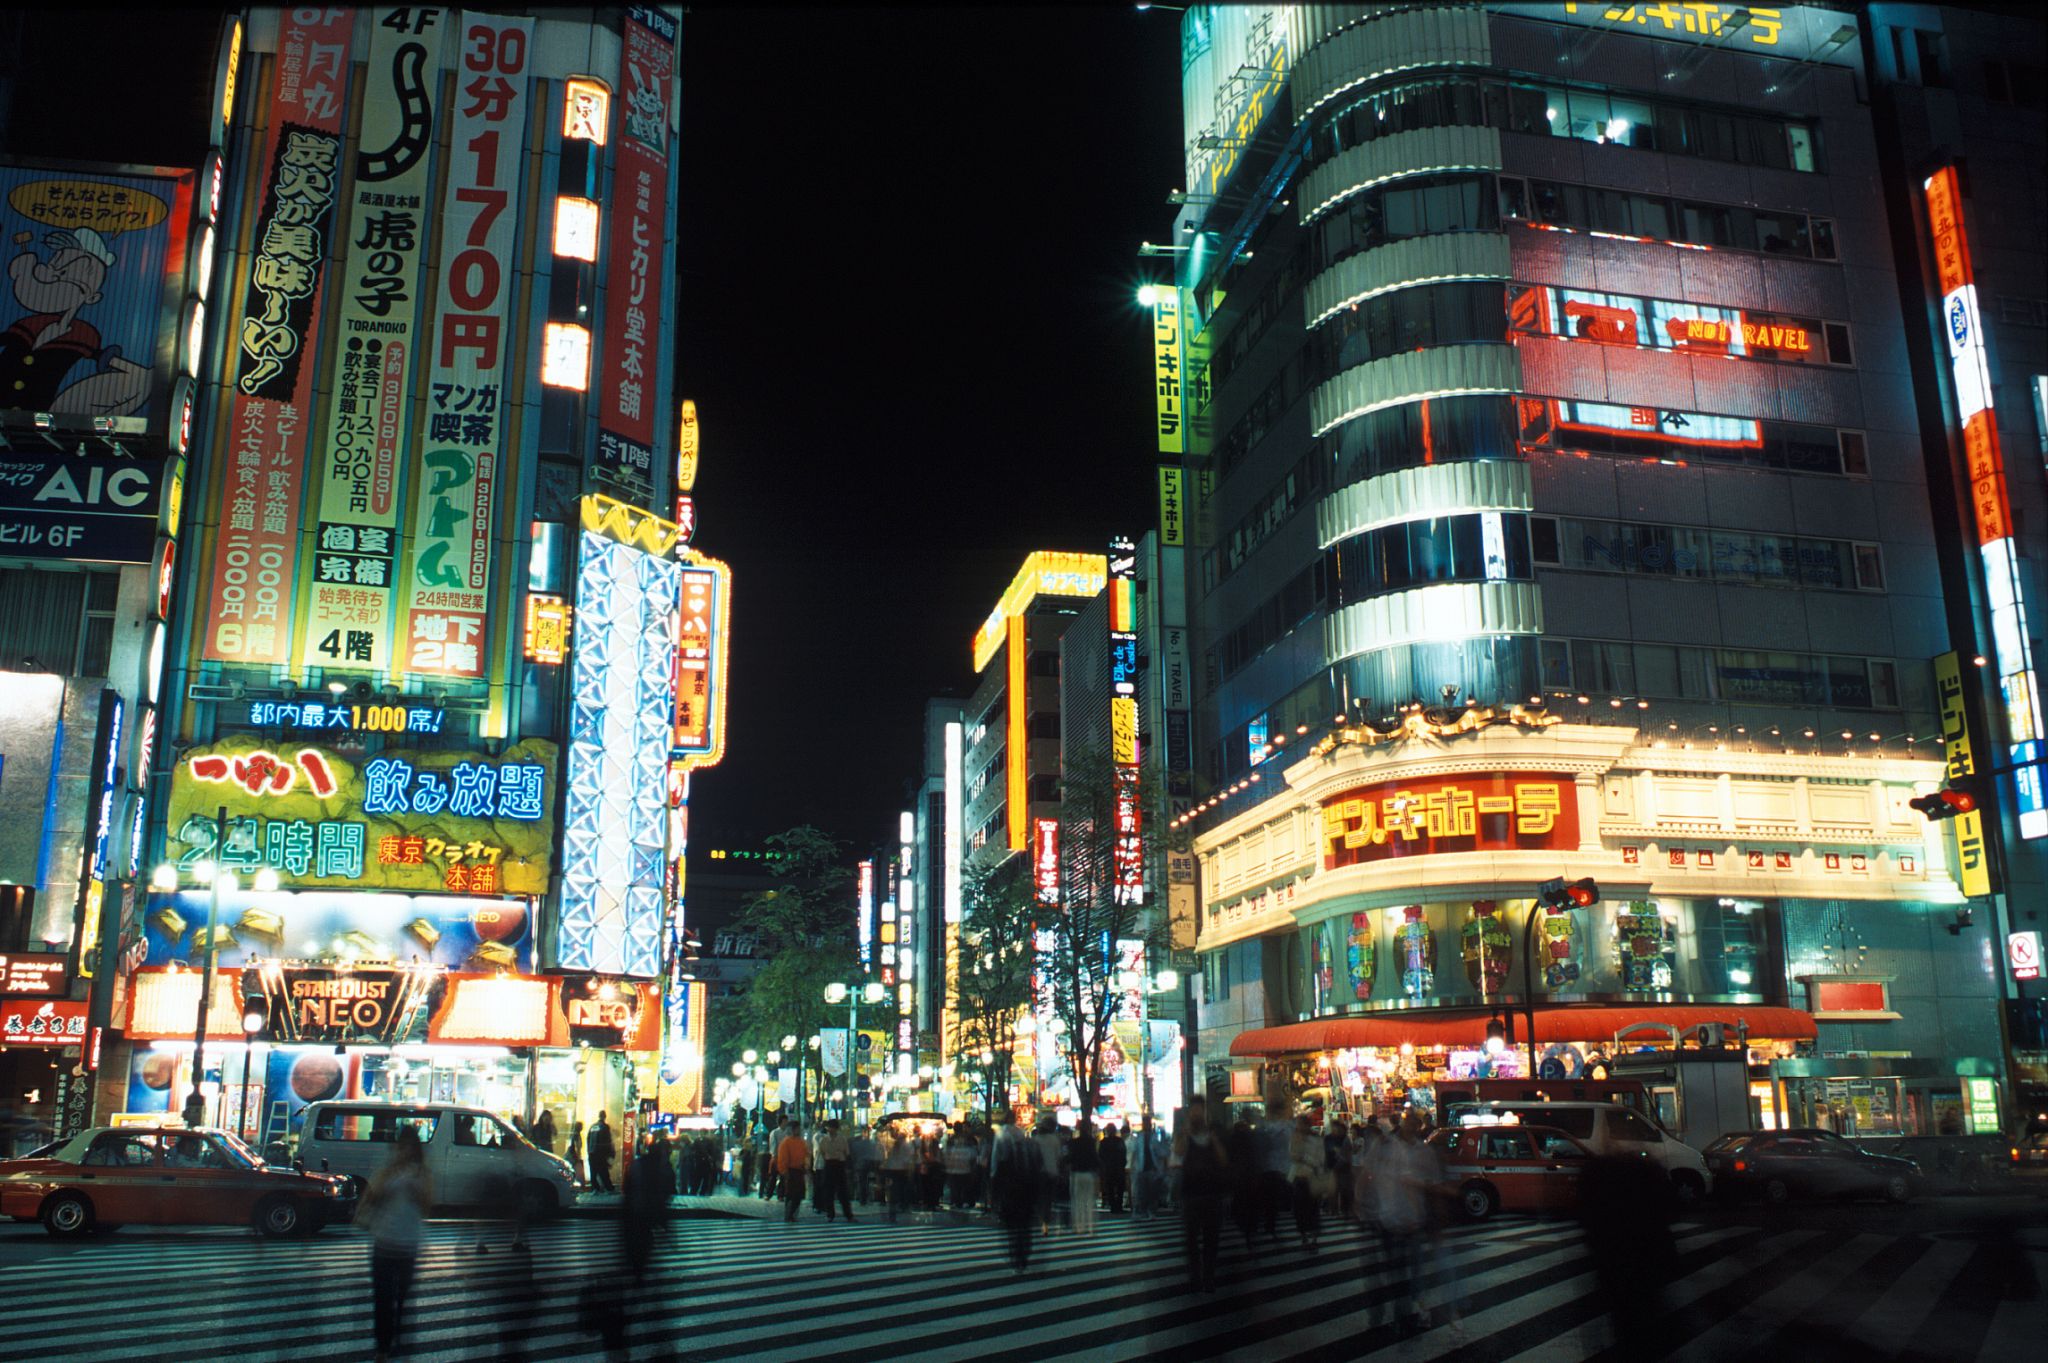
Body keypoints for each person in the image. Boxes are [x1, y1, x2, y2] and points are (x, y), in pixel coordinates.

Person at [357, 1127, 432, 1363]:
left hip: (408, 1244)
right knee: (382, 1299)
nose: (405, 1150)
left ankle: (400, 1339)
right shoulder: (387, 1171)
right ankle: (383, 1347)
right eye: (402, 1146)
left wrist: (414, 1191)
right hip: (384, 1242)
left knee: (401, 1298)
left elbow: (428, 1205)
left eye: (409, 1146)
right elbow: (370, 1197)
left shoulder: (421, 1173)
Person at [1173, 1096, 1228, 1293]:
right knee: (1191, 1239)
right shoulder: (1184, 1134)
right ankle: (1196, 1276)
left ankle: (1209, 1276)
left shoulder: (1214, 1133)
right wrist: (1184, 1135)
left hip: (1212, 1193)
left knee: (1211, 1238)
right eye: (1194, 1110)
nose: (1197, 1114)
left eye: (1199, 1110)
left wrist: (1214, 1141)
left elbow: (1223, 1160)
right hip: (1191, 1194)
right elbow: (1177, 1154)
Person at [989, 1113, 1043, 1274]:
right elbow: (1037, 1168)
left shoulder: (1002, 1137)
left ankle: (1016, 1257)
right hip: (1027, 1191)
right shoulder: (1025, 1140)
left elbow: (995, 1166)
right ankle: (1023, 1256)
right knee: (1024, 1226)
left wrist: (994, 1191)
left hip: (1011, 1191)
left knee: (1012, 1227)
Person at [1289, 1111, 1329, 1250]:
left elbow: (1320, 1159)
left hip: (1312, 1177)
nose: (1299, 1127)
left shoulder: (1316, 1139)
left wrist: (1307, 1160)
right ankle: (1305, 1237)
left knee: (1312, 1209)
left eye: (1300, 1124)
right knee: (1300, 1210)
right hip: (1299, 1177)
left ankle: (1312, 1238)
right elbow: (1293, 1155)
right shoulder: (1295, 1138)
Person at [815, 1119, 855, 1221]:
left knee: (843, 1192)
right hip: (829, 1164)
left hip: (839, 1164)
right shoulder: (824, 1139)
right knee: (828, 1191)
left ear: (836, 1128)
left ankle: (848, 1214)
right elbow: (822, 1153)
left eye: (831, 1127)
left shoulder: (842, 1139)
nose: (829, 1129)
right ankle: (830, 1214)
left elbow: (846, 1153)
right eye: (828, 1127)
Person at [773, 1119, 811, 1223]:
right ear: (792, 1130)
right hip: (790, 1171)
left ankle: (792, 1214)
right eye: (797, 1129)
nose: (799, 1131)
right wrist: (784, 1171)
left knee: (798, 1194)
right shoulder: (786, 1142)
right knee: (790, 1194)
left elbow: (806, 1154)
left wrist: (806, 1166)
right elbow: (783, 1158)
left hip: (799, 1170)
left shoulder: (801, 1142)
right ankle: (789, 1215)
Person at [1033, 1114, 1064, 1234]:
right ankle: (1046, 1221)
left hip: (1040, 1173)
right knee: (1048, 1199)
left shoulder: (1037, 1139)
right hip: (1052, 1172)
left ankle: (1042, 1221)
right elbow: (1059, 1157)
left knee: (1040, 1198)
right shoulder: (1055, 1140)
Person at [1068, 1119, 1101, 1236]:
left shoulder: (1073, 1143)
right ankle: (1091, 1227)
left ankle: (1079, 1227)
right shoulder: (1091, 1142)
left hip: (1076, 1173)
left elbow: (1069, 1158)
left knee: (1078, 1202)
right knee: (1089, 1201)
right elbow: (1095, 1158)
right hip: (1088, 1173)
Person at [1133, 1115, 1166, 1219]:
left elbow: (1160, 1151)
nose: (1146, 1124)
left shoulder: (1154, 1136)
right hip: (1142, 1167)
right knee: (1143, 1191)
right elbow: (1136, 1152)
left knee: (1151, 1191)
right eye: (1145, 1122)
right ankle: (1144, 1210)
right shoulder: (1139, 1136)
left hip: (1151, 1167)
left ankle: (1150, 1210)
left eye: (1147, 1122)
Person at [1100, 1123, 1129, 1214]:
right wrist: (1122, 1164)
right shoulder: (1119, 1141)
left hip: (1108, 1168)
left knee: (1110, 1188)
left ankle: (1113, 1206)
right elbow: (1123, 1154)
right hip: (1118, 1168)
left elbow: (1101, 1156)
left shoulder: (1103, 1142)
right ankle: (1119, 1206)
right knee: (1120, 1188)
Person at [586, 1113, 617, 1193]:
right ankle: (609, 1188)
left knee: (593, 1172)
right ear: (604, 1117)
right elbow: (607, 1140)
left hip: (591, 1152)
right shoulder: (605, 1127)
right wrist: (609, 1153)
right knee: (603, 1171)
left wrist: (589, 1151)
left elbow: (588, 1139)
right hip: (600, 1153)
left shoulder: (593, 1126)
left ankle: (595, 1189)